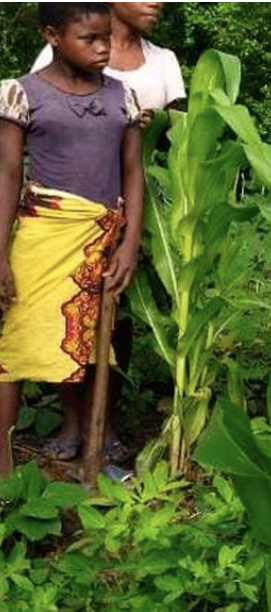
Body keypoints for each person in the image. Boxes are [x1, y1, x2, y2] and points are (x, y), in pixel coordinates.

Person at [31, 1, 181, 464]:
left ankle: (106, 420)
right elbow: (43, 115)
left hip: (143, 210)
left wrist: (157, 125)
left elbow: (184, 138)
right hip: (71, 207)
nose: (155, 3)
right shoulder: (60, 49)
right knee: (62, 314)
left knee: (118, 319)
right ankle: (73, 416)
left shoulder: (163, 63)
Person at [0, 2, 144, 476]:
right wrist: (0, 253)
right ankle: (2, 460)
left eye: (107, 37)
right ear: (53, 36)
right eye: (90, 39)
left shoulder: (122, 96)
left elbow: (133, 174)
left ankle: (92, 453)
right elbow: (7, 175)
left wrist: (128, 245)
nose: (104, 47)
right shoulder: (22, 94)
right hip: (43, 237)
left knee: (91, 345)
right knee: (19, 344)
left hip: (100, 241)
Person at [32, 2, 184, 117]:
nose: (155, 3)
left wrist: (154, 123)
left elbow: (175, 137)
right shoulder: (63, 52)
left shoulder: (164, 60)